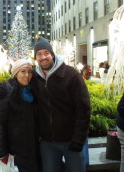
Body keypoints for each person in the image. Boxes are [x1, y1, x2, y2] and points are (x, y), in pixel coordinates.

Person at [32, 37, 91, 172]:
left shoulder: (71, 75)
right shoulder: (34, 77)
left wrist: (79, 138)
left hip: (71, 139)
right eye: (39, 54)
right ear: (35, 57)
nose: (43, 57)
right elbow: (19, 84)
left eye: (46, 53)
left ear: (52, 54)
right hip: (47, 142)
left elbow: (84, 108)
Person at [0, 59, 40, 172]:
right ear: (16, 73)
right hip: (15, 150)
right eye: (23, 71)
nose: (27, 75)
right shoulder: (7, 92)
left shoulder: (31, 91)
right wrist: (2, 153)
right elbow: (0, 124)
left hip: (32, 146)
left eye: (29, 72)